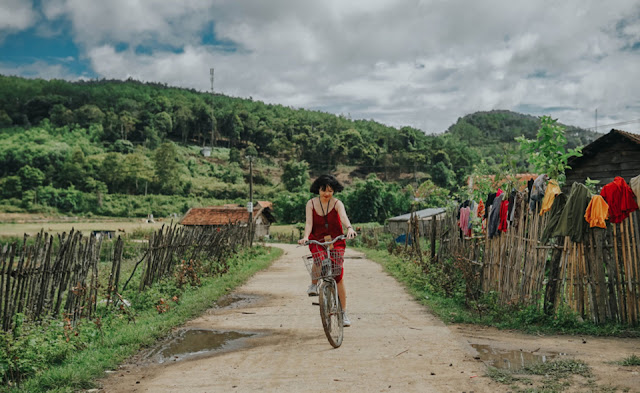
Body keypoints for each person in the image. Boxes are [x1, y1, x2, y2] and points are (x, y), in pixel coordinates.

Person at [298, 174, 357, 327]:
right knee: (319, 257)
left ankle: (343, 313)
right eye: (324, 190)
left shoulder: (337, 203)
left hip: (336, 240)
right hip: (317, 239)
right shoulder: (310, 204)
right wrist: (305, 237)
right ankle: (313, 284)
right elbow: (309, 223)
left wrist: (349, 228)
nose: (327, 194)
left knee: (338, 275)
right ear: (318, 189)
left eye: (330, 191)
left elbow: (343, 217)